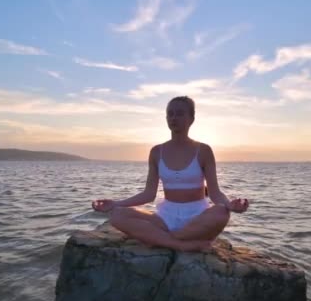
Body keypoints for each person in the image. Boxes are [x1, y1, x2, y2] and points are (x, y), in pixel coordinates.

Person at [92, 96, 249, 252]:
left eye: (180, 113)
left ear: (191, 118)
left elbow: (214, 194)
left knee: (221, 212)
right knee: (117, 215)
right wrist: (115, 204)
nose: (174, 118)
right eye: (170, 114)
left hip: (198, 217)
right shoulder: (156, 152)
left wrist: (230, 205)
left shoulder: (204, 151)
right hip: (165, 217)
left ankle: (162, 238)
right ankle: (180, 243)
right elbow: (148, 194)